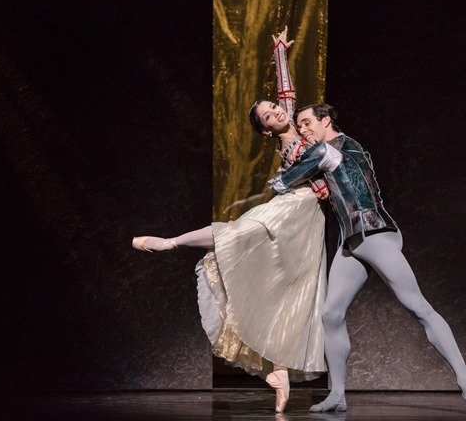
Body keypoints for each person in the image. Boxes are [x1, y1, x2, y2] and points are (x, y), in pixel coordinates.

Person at [133, 27, 328, 413]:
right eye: (267, 116)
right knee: (237, 234)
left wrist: (278, 54)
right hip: (291, 210)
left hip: (310, 224)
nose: (275, 111)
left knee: (293, 294)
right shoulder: (289, 146)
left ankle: (280, 372)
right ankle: (170, 242)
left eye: (273, 107)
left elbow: (286, 91)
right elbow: (311, 174)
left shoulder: (295, 120)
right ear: (266, 130)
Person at [268, 103, 466, 416]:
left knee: (418, 306)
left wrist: (287, 160)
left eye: (306, 124)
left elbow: (282, 183)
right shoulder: (347, 147)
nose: (303, 130)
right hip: (353, 240)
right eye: (300, 126)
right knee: (331, 314)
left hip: (374, 234)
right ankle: (337, 395)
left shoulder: (329, 151)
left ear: (326, 120)